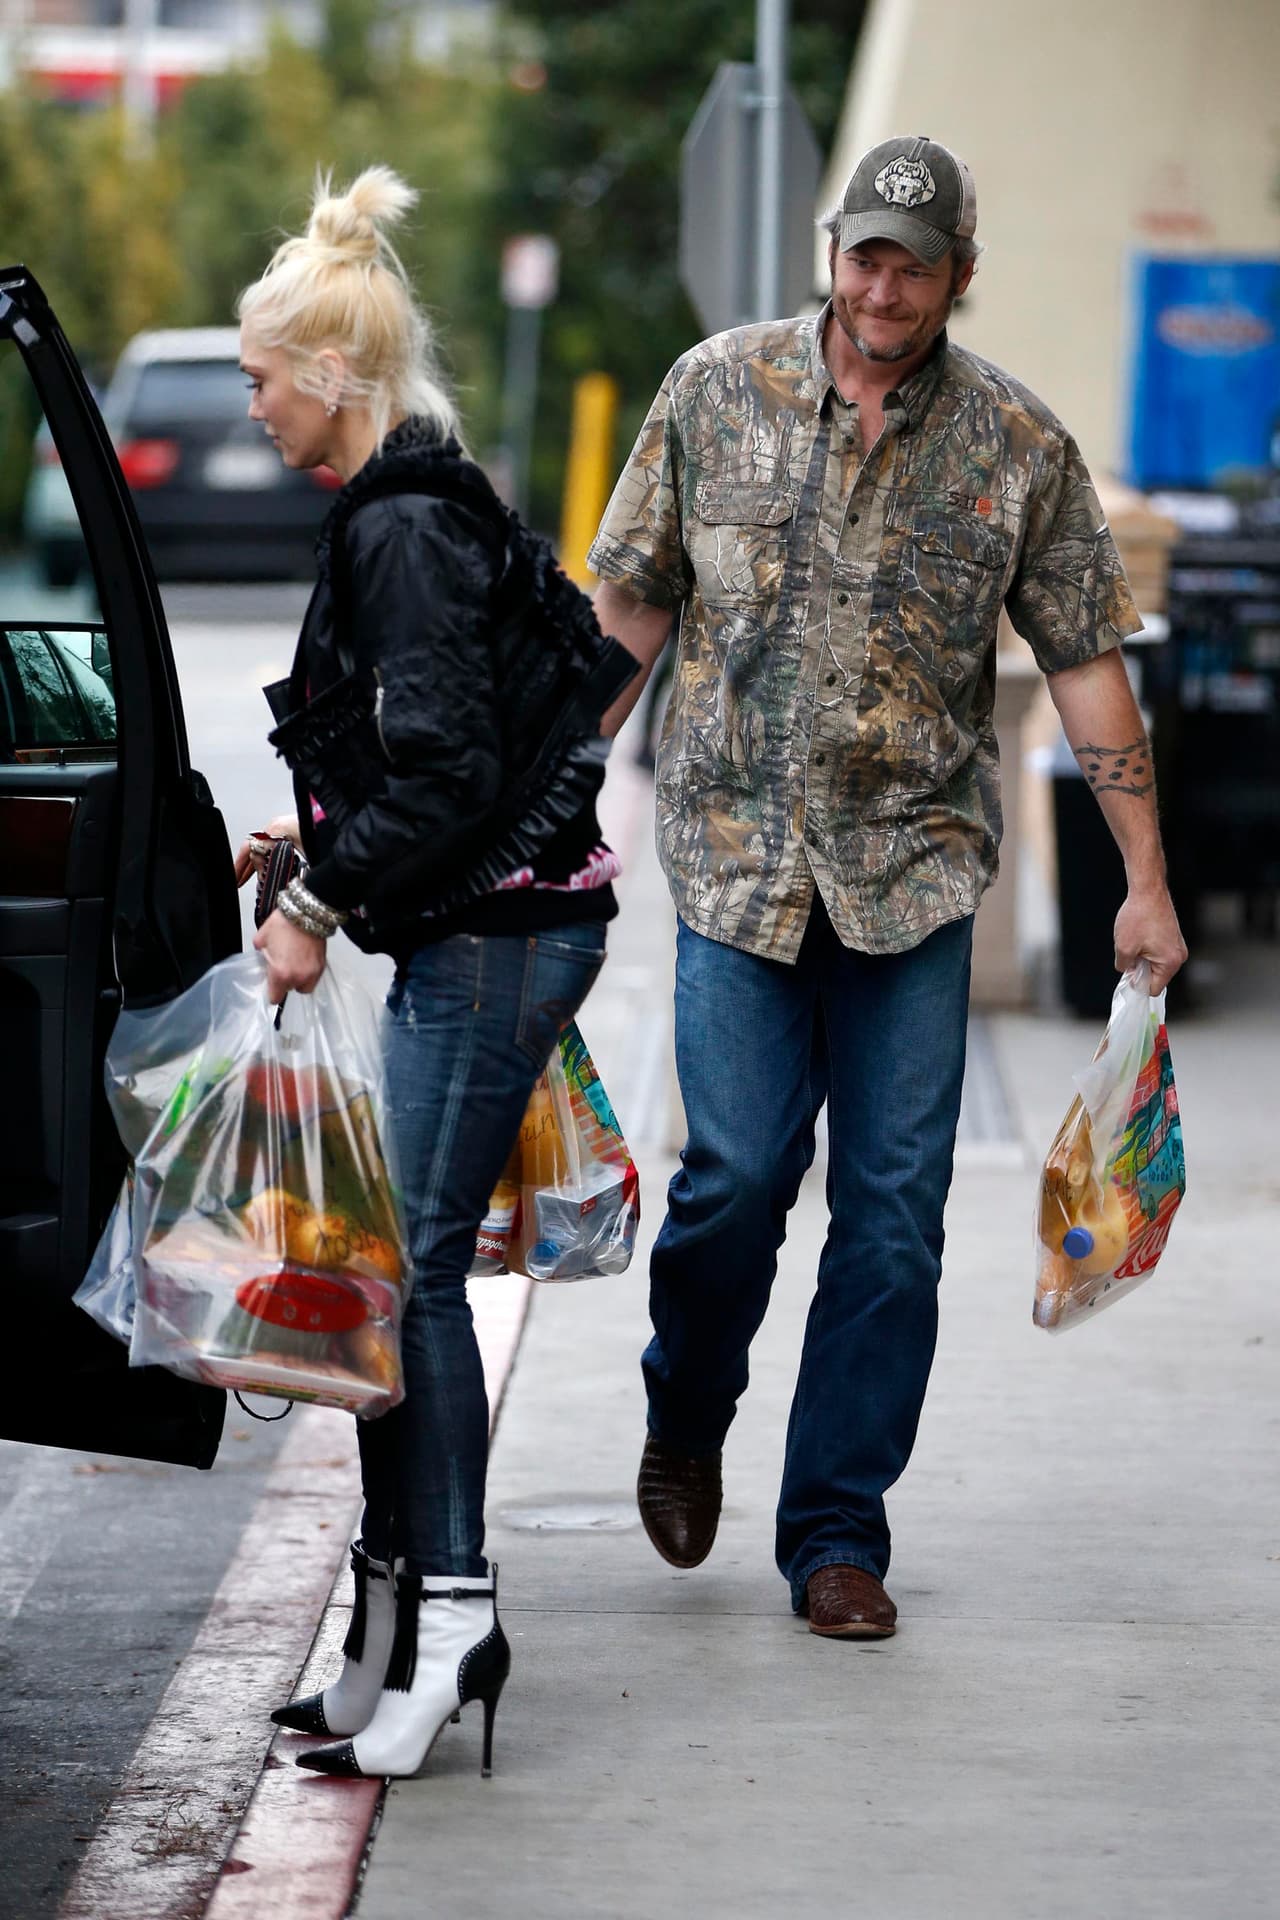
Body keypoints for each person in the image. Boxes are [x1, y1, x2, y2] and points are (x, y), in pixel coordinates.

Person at [588, 135, 1187, 1640]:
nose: (886, 284)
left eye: (916, 262)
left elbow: (1090, 671)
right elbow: (630, 614)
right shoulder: (711, 392)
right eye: (867, 253)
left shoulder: (1016, 448)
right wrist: (543, 804)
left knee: (894, 1217)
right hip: (734, 868)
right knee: (731, 1182)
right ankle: (688, 1410)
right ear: (831, 250)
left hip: (916, 881)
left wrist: (1148, 884)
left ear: (958, 275)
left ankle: (838, 1532)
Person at [233, 166, 634, 1775]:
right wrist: (316, 825)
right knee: (395, 1280)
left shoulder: (397, 525)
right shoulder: (408, 504)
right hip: (495, 924)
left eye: (262, 377)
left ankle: (448, 1606)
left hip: (500, 937)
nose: (250, 403)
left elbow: (449, 776)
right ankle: (390, 1614)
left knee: (408, 1286)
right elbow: (435, 746)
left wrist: (317, 898)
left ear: (331, 378)